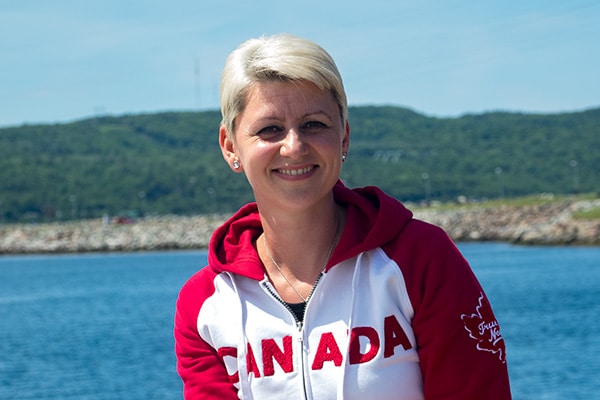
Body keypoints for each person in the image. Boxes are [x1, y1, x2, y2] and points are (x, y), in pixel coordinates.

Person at [174, 33, 512, 399]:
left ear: (344, 137)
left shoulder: (420, 259)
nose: (294, 146)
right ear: (230, 146)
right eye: (269, 129)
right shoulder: (205, 304)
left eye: (314, 124)